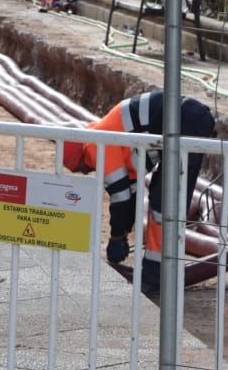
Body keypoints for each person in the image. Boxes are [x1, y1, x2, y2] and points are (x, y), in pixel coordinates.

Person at [61, 91, 216, 302]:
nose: (84, 172)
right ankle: (156, 271)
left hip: (185, 121)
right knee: (162, 198)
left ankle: (156, 274)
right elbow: (131, 194)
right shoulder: (107, 138)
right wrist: (123, 233)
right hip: (187, 119)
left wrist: (116, 238)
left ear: (78, 158)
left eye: (79, 168)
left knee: (166, 203)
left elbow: (121, 198)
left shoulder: (95, 147)